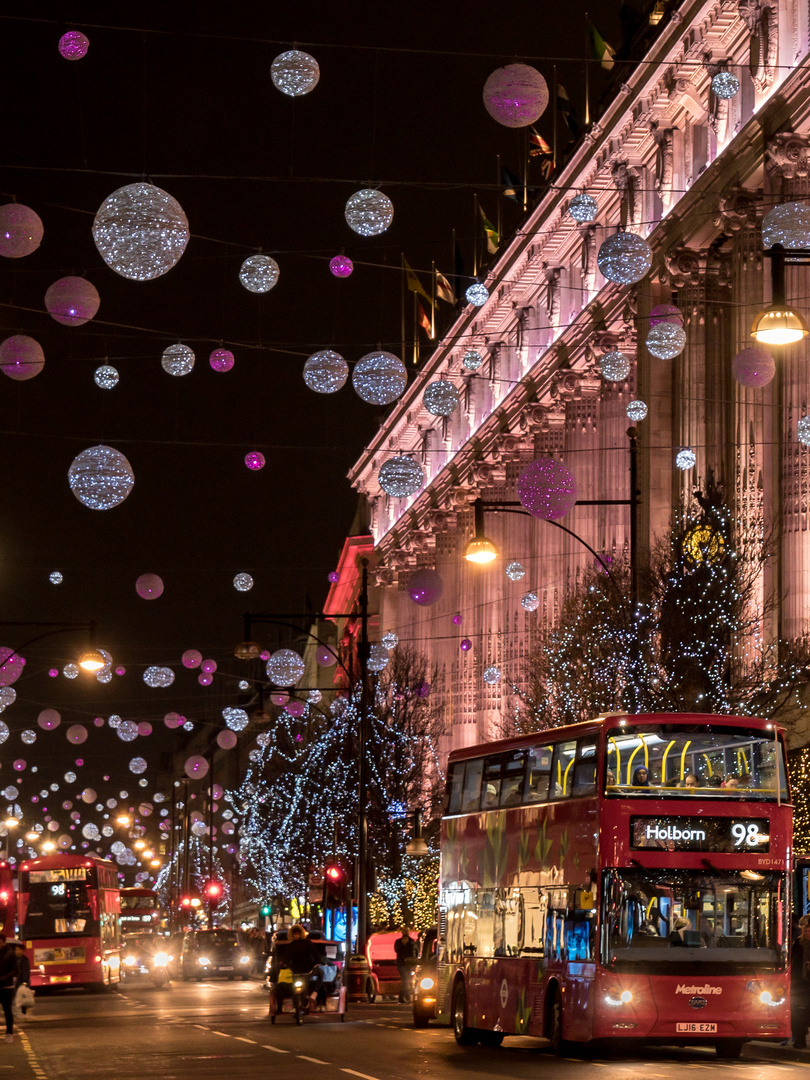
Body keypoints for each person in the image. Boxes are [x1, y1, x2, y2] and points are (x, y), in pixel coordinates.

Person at [274, 926, 323, 1015]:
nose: (296, 936)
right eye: (295, 934)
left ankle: (315, 992)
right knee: (293, 988)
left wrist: (319, 962)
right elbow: (286, 957)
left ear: (301, 934)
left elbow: (315, 953)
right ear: (292, 935)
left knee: (320, 973)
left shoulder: (307, 943)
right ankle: (294, 1006)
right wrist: (284, 964)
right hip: (296, 970)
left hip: (308, 969)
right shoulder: (290, 946)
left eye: (298, 934)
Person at [792, 917, 810, 1048]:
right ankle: (799, 1039)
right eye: (806, 931)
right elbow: (794, 962)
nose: (808, 933)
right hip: (800, 983)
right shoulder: (798, 944)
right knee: (798, 1012)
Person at [0, 935, 17, 1043]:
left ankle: (9, 1033)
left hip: (7, 986)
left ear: (4, 942)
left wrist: (4, 978)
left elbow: (15, 970)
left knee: (7, 1011)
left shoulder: (10, 953)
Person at [394, 927, 416, 1003]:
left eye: (407, 931)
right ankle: (407, 996)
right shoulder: (398, 942)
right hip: (401, 963)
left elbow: (415, 952)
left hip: (409, 964)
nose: (405, 933)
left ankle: (401, 998)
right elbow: (397, 950)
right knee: (405, 979)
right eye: (404, 931)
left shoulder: (412, 942)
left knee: (405, 980)